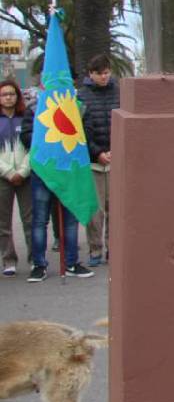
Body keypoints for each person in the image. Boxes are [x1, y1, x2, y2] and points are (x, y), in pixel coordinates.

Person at [19, 94, 92, 280]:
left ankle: (71, 263)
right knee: (39, 220)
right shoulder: (34, 108)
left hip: (69, 170)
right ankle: (39, 264)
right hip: (43, 170)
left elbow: (86, 133)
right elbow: (26, 135)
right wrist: (48, 143)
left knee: (70, 220)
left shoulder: (78, 107)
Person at [77, 54, 119, 267]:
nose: (104, 77)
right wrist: (97, 153)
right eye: (99, 73)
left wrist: (115, 150)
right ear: (90, 74)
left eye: (106, 72)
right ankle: (95, 249)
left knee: (115, 208)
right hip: (93, 161)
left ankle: (114, 248)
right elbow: (80, 130)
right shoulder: (82, 97)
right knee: (96, 210)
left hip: (117, 160)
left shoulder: (119, 92)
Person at [0, 78, 32, 276]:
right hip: (3, 177)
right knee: (3, 222)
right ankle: (9, 260)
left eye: (12, 94)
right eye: (4, 94)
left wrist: (22, 171)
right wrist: (9, 172)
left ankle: (34, 259)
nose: (8, 97)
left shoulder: (26, 117)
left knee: (30, 220)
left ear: (17, 96)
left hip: (25, 176)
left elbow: (33, 146)